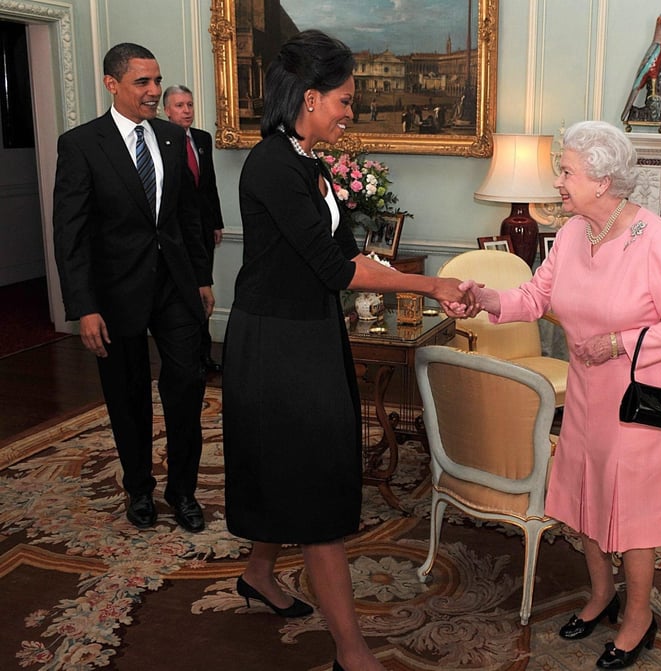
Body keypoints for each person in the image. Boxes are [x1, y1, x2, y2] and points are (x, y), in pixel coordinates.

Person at [220, 30, 470, 671]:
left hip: (306, 332)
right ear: (309, 98)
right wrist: (431, 281)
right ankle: (351, 652)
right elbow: (338, 270)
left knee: (294, 467)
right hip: (277, 343)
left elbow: (343, 256)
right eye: (345, 101)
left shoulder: (304, 159)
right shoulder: (274, 165)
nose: (349, 112)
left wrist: (387, 266)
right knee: (315, 484)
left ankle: (258, 573)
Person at [459, 120, 661, 669]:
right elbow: (534, 295)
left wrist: (619, 342)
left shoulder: (657, 239)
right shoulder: (572, 232)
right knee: (584, 495)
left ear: (601, 179)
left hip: (636, 395)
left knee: (633, 508)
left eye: (566, 171)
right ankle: (601, 595)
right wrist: (484, 298)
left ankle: (638, 617)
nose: (559, 182)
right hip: (585, 391)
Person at [52, 42, 213, 534]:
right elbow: (71, 234)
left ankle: (182, 492)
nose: (153, 91)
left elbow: (189, 216)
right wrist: (84, 307)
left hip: (175, 288)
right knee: (127, 395)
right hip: (115, 294)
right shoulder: (81, 144)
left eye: (157, 80)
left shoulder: (171, 136)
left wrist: (202, 276)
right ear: (112, 84)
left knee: (186, 383)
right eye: (142, 81)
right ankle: (139, 490)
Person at [163, 84, 226, 374]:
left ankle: (204, 355)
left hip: (202, 229)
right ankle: (186, 356)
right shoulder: (160, 141)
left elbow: (208, 184)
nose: (186, 110)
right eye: (179, 105)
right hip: (175, 234)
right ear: (166, 110)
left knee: (204, 291)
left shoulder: (202, 138)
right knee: (184, 295)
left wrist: (216, 222)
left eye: (189, 104)